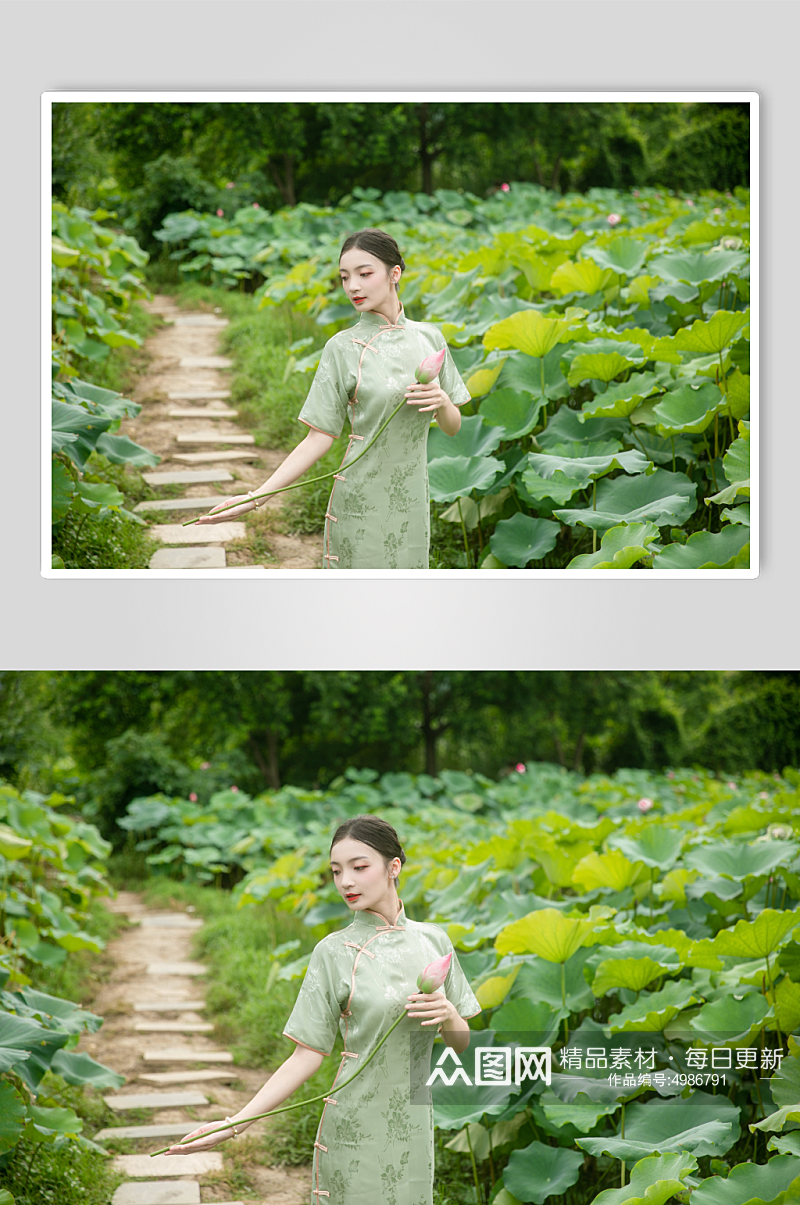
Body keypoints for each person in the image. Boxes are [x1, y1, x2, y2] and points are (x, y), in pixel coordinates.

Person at [164, 814, 481, 1205]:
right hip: (354, 1128)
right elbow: (306, 1055)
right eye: (336, 871)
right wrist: (235, 1124)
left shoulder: (434, 941)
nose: (345, 881)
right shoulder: (333, 952)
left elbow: (461, 1042)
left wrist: (448, 1011)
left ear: (393, 867)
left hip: (414, 1127)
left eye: (359, 867)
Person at [195, 228, 472, 568]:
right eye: (345, 277)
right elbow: (319, 437)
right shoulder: (342, 348)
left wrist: (442, 400)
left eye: (364, 273)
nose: (352, 286)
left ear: (394, 274)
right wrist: (256, 498)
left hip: (412, 501)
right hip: (360, 502)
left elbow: (453, 427)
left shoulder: (430, 338)